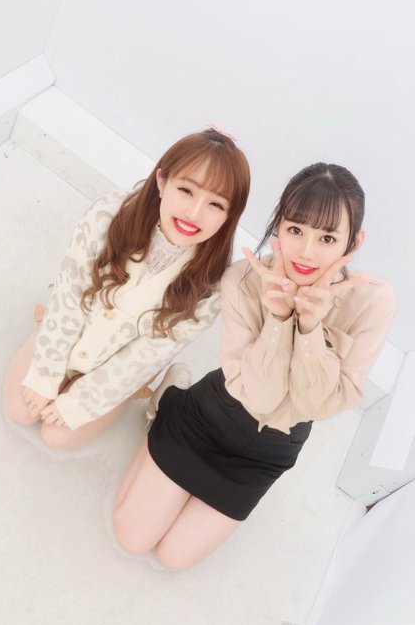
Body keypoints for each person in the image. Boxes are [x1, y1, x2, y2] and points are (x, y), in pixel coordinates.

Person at [112, 162, 397, 569]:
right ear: (278, 222)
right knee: (132, 538)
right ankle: (169, 404)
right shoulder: (243, 279)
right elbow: (260, 396)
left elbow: (315, 405)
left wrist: (310, 328)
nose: (306, 251)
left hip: (269, 451)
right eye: (295, 230)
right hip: (210, 415)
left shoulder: (372, 301)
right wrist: (278, 318)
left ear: (354, 241)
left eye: (327, 238)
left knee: (173, 558)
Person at [2, 128, 251, 448]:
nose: (194, 213)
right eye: (186, 190)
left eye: (215, 204)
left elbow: (146, 355)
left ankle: (134, 393)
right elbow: (69, 296)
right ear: (162, 181)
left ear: (229, 216)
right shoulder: (109, 215)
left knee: (57, 438)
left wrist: (80, 402)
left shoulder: (212, 285)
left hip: (118, 369)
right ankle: (44, 336)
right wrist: (47, 373)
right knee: (19, 411)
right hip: (69, 327)